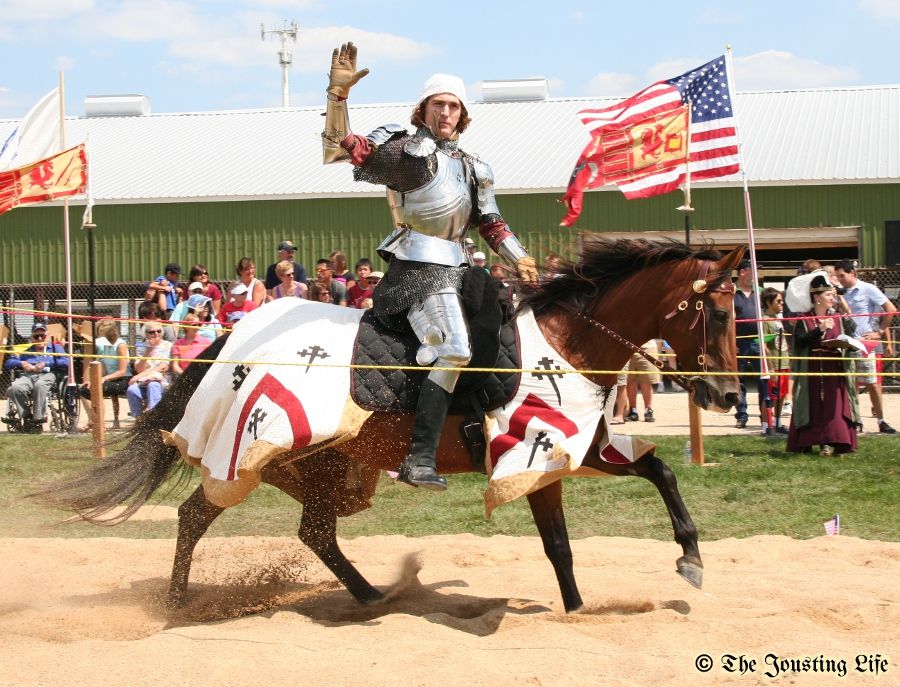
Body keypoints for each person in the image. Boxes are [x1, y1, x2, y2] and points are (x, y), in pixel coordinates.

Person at [322, 42, 538, 490]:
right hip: (418, 269)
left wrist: (521, 258)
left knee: (496, 330)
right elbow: (341, 149)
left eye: (454, 106)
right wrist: (337, 97)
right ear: (423, 110)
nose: (446, 112)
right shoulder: (407, 152)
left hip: (462, 269)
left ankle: (480, 430)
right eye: (438, 104)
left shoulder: (476, 166)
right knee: (453, 348)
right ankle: (418, 459)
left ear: (463, 114)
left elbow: (491, 224)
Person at [785, 271, 860, 455]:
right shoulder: (804, 318)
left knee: (833, 406)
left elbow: (851, 332)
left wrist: (847, 339)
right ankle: (810, 441)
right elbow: (800, 340)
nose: (832, 298)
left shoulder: (837, 317)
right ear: (817, 297)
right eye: (828, 295)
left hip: (833, 369)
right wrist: (819, 330)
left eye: (833, 295)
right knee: (812, 405)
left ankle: (835, 441)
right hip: (812, 369)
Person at [833, 259, 897, 434]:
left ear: (852, 273)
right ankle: (855, 419)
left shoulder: (868, 289)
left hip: (866, 342)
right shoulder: (839, 292)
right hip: (846, 342)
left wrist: (880, 331)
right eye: (837, 276)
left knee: (873, 383)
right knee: (850, 383)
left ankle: (881, 420)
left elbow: (890, 309)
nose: (840, 279)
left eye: (842, 276)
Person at [2, 322, 70, 433]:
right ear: (32, 338)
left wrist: (46, 363)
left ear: (46, 336)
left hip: (48, 375)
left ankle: (38, 419)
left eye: (42, 336)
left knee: (40, 385)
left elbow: (66, 362)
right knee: (14, 387)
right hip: (29, 376)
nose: (39, 338)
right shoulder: (27, 351)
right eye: (36, 336)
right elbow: (9, 362)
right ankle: (26, 417)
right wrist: (22, 363)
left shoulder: (55, 348)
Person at [733, 259, 768, 431]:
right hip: (738, 342)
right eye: (752, 270)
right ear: (742, 272)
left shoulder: (761, 292)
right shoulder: (731, 292)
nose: (755, 274)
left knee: (764, 379)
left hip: (758, 341)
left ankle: (765, 415)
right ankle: (741, 415)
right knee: (739, 381)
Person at [78, 319, 131, 430]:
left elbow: (122, 371)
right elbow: (102, 366)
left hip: (124, 379)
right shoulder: (104, 345)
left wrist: (103, 379)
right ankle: (94, 420)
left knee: (98, 389)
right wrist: (92, 380)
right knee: (83, 389)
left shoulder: (121, 345)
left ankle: (99, 425)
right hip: (109, 378)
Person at [760, 288, 790, 435]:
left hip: (783, 363)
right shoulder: (765, 320)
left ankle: (778, 422)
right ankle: (766, 425)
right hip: (773, 365)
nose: (781, 303)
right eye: (778, 301)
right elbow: (764, 346)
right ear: (768, 302)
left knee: (781, 395)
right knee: (769, 396)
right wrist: (770, 368)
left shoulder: (778, 320)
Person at [126, 323, 172, 419]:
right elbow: (139, 369)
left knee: (153, 385)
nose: (156, 334)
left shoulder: (167, 346)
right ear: (146, 334)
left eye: (158, 331)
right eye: (152, 332)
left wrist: (140, 375)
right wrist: (148, 351)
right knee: (132, 390)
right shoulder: (141, 347)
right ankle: (138, 420)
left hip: (161, 381)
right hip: (143, 382)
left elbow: (163, 367)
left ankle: (154, 417)